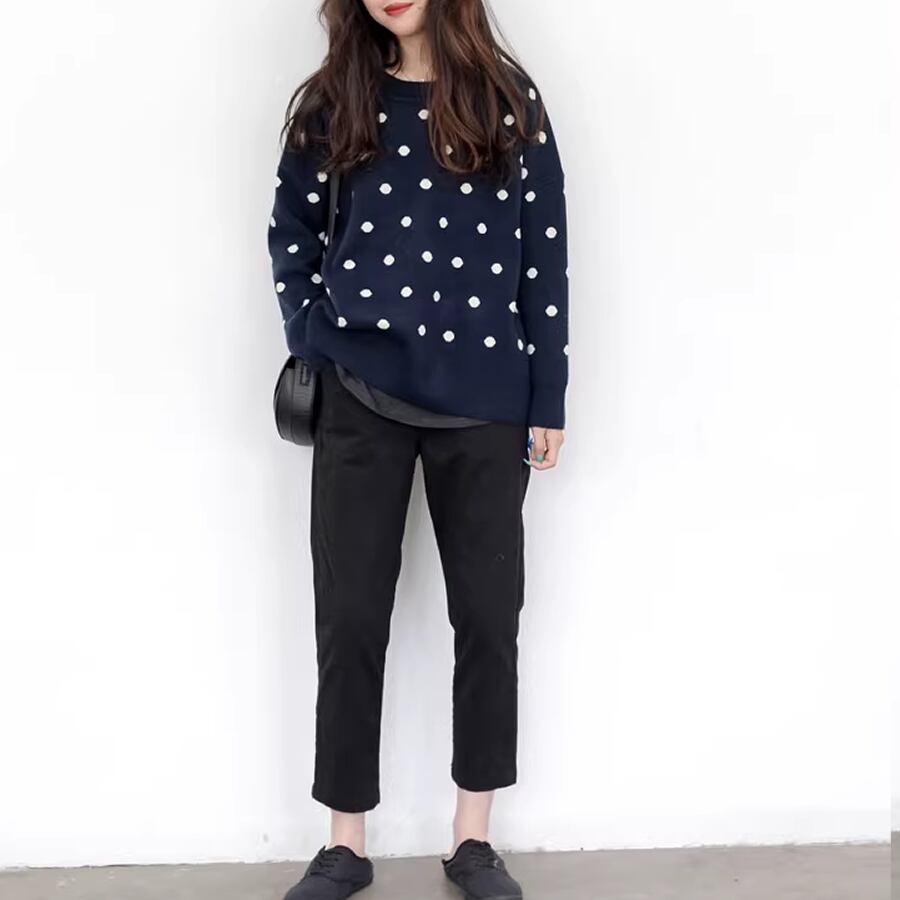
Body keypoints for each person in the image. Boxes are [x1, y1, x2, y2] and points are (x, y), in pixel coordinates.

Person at [267, 1, 568, 897]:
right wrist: (314, 336)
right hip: (359, 396)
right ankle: (345, 844)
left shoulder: (508, 102)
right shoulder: (334, 103)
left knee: (489, 618)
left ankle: (472, 838)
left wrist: (547, 393)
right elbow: (291, 233)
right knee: (350, 617)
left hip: (486, 402)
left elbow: (543, 256)